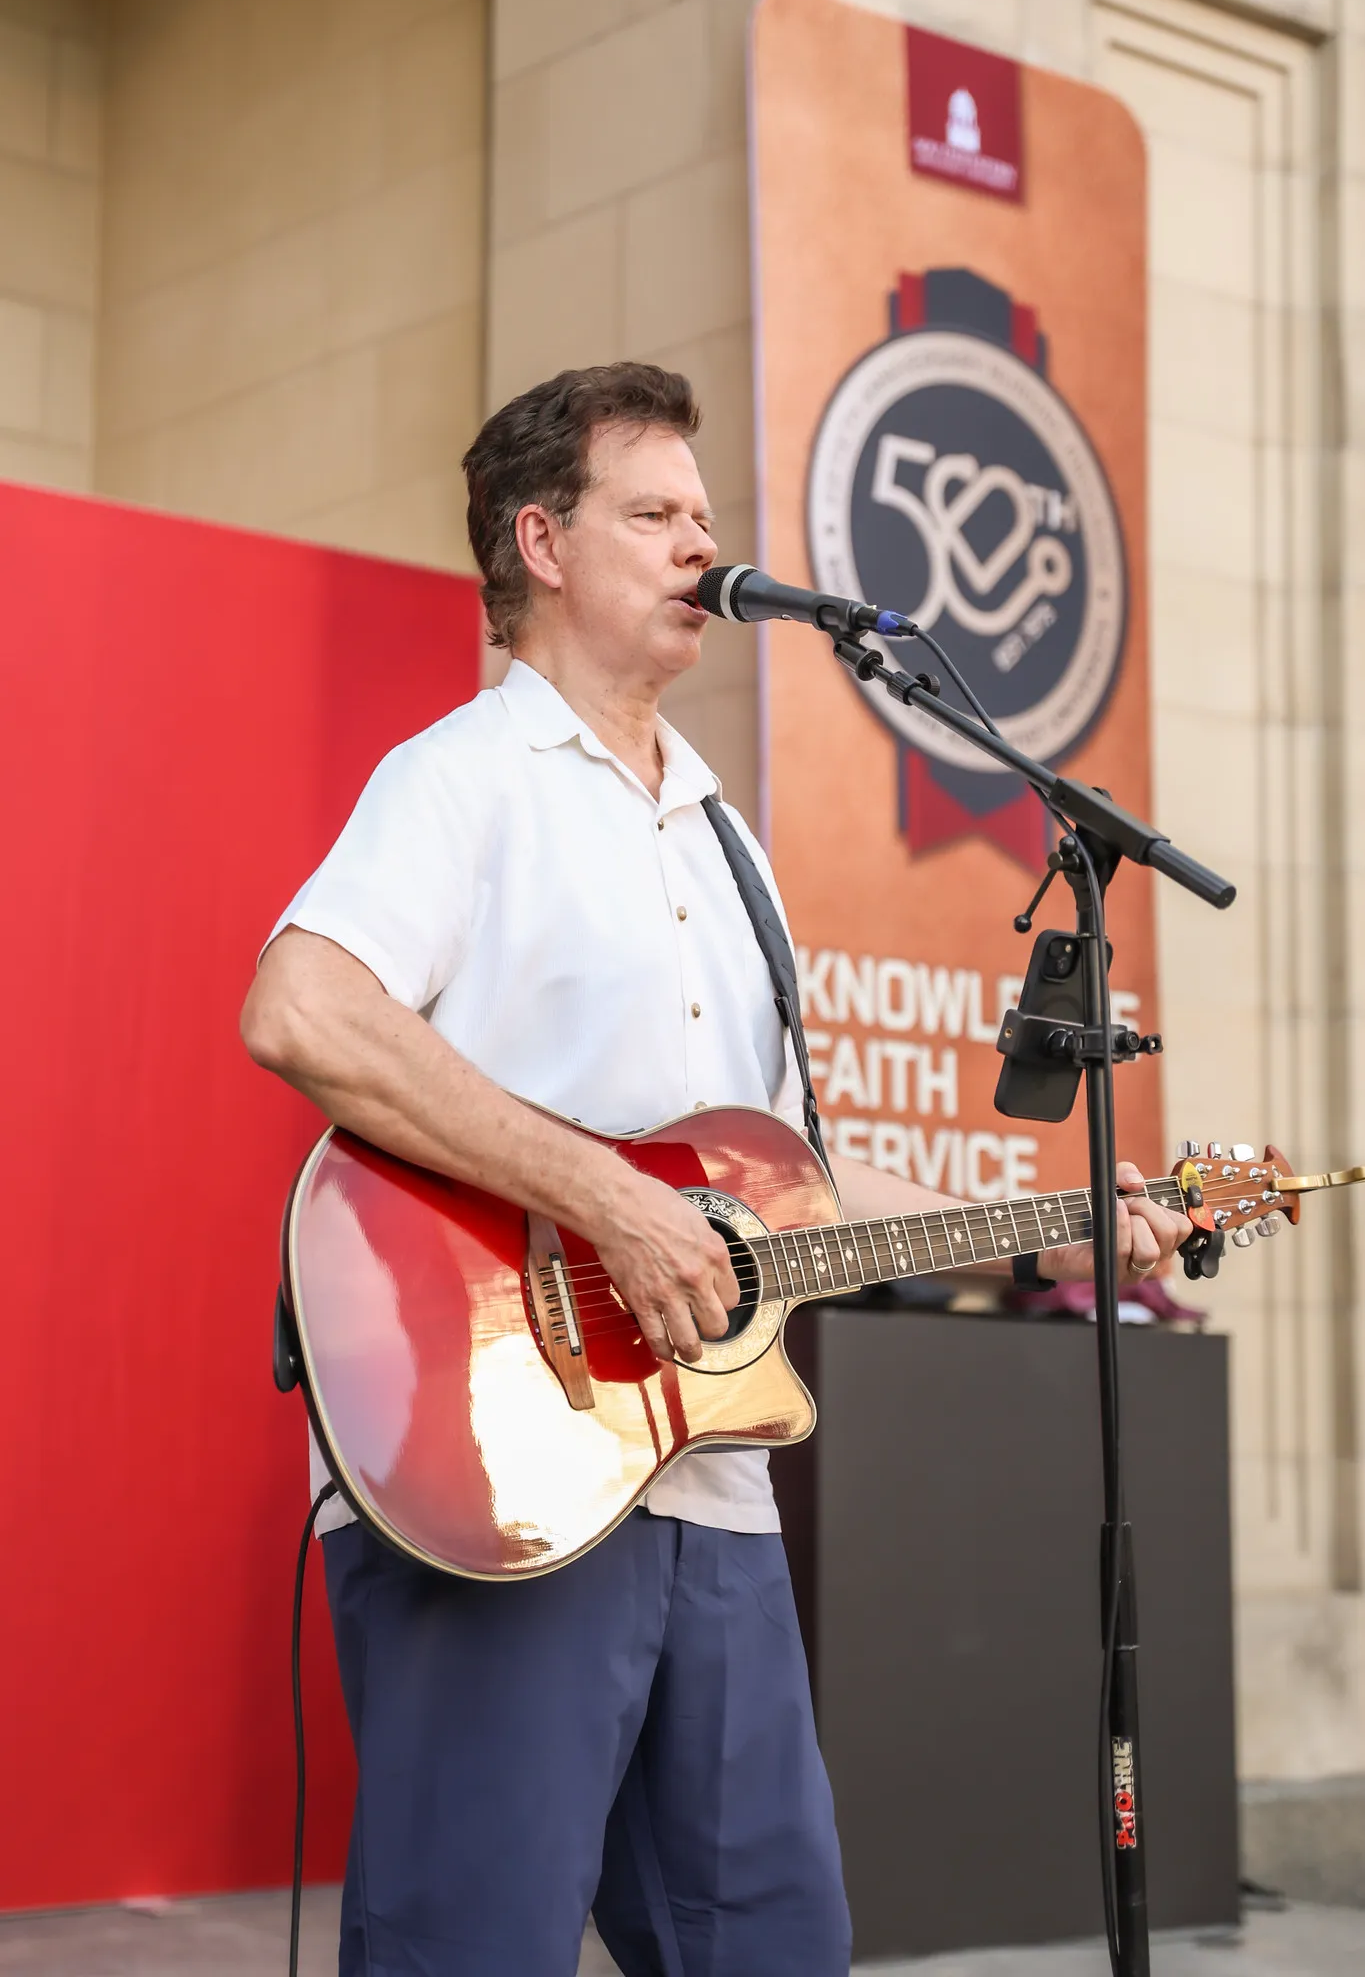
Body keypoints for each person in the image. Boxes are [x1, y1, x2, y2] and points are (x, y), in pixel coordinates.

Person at [241, 362, 1190, 1977]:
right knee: (474, 1944)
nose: (704, 544)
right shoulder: (461, 777)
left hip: (712, 1488)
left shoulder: (727, 843)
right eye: (655, 514)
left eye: (703, 513)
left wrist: (1058, 1233)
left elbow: (790, 1187)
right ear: (541, 542)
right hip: (499, 1475)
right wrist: (610, 1201)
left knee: (771, 1941)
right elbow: (301, 1009)